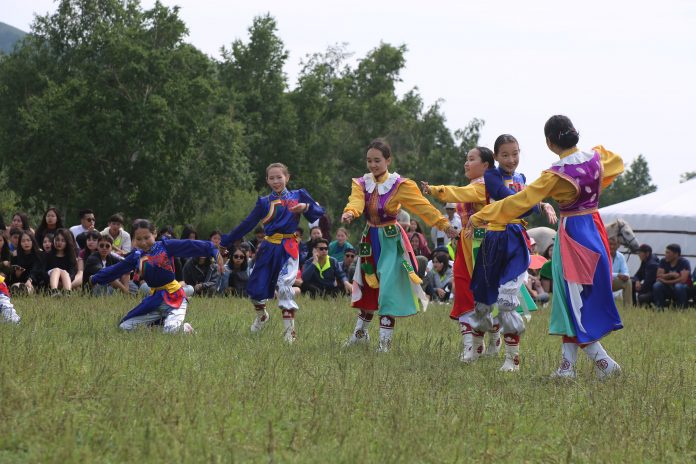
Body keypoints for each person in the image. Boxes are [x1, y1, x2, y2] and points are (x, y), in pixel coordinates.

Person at [469, 115, 624, 380]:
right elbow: (616, 165)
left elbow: (519, 201)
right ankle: (567, 366)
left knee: (570, 299)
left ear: (550, 143)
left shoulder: (556, 174)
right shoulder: (598, 157)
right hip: (595, 229)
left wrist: (481, 215)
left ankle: (604, 363)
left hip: (573, 234)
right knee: (572, 299)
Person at [341, 139, 456, 352]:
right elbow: (356, 201)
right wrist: (351, 212)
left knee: (388, 288)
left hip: (391, 240)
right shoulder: (360, 183)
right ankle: (360, 334)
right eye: (369, 161)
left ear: (388, 160)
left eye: (377, 160)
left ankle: (384, 344)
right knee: (366, 284)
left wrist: (443, 224)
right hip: (369, 240)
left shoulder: (399, 185)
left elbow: (423, 207)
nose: (373, 165)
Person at [466, 134, 557, 372]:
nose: (511, 159)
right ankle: (476, 348)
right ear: (495, 157)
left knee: (507, 300)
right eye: (505, 155)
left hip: (515, 241)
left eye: (515, 153)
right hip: (493, 240)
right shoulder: (492, 177)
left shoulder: (521, 178)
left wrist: (543, 203)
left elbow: (524, 200)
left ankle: (512, 360)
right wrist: (538, 203)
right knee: (483, 301)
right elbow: (510, 200)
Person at [221, 162, 325, 343]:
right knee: (254, 289)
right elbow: (247, 224)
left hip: (289, 247)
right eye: (272, 178)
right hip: (268, 248)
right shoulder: (263, 202)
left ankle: (289, 335)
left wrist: (305, 207)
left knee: (285, 287)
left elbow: (318, 213)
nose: (276, 181)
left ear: (287, 177)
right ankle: (262, 316)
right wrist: (225, 242)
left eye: (279, 177)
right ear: (267, 180)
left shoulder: (299, 195)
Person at [422, 146, 502, 361]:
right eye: (466, 159)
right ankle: (471, 346)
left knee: (486, 296)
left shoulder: (484, 186)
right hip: (466, 244)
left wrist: (435, 190)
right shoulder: (476, 185)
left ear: (485, 165)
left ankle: (493, 338)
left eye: (471, 159)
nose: (466, 163)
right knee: (464, 293)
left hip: (484, 244)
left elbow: (457, 192)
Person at [90, 219, 223, 333]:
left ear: (154, 233)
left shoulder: (166, 246)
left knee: (171, 332)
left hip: (175, 297)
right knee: (125, 327)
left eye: (147, 237)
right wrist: (96, 278)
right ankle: (161, 324)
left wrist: (213, 250)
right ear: (133, 239)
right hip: (155, 301)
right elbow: (116, 269)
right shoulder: (136, 257)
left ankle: (185, 328)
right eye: (139, 239)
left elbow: (189, 244)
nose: (143, 242)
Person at [653, 244, 691, 309]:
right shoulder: (663, 261)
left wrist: (665, 280)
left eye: (668, 253)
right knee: (657, 285)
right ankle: (658, 308)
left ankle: (682, 308)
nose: (665, 255)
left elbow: (683, 280)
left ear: (676, 254)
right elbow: (659, 276)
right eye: (665, 252)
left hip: (684, 289)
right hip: (668, 288)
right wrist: (671, 274)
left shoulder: (684, 262)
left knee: (678, 286)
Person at [45, 228, 78, 295]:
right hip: (50, 279)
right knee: (57, 270)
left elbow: (72, 273)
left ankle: (67, 292)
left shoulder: (70, 257)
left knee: (64, 272)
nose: (59, 243)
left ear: (67, 242)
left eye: (63, 240)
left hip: (65, 279)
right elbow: (43, 272)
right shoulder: (48, 255)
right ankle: (54, 291)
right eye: (57, 240)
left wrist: (62, 281)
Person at [608, 236, 633, 306]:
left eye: (614, 244)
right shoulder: (604, 255)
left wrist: (626, 276)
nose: (612, 247)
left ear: (618, 245)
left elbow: (625, 270)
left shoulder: (621, 256)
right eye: (610, 244)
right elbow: (604, 273)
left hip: (613, 281)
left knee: (628, 282)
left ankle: (628, 308)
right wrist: (618, 275)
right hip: (603, 281)